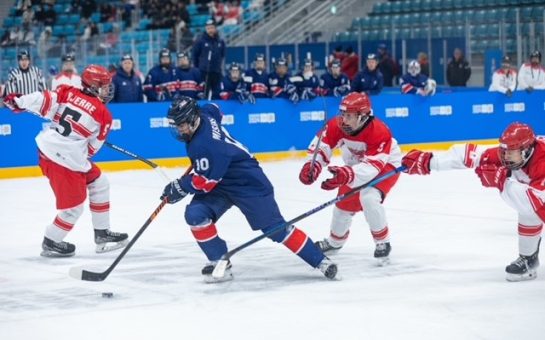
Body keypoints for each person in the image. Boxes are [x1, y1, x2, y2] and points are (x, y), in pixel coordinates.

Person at [159, 97, 338, 282]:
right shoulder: (205, 114)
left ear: (193, 119)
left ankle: (320, 261)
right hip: (221, 183)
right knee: (196, 215)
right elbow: (215, 109)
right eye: (176, 124)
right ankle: (219, 261)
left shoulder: (207, 146)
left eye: (181, 124)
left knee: (276, 229)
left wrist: (180, 186)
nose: (179, 129)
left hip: (248, 182)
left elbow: (204, 183)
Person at [2, 65, 128, 257]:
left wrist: (19, 101)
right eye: (103, 85)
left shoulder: (66, 92)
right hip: (63, 160)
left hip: (52, 150)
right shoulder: (104, 115)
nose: (107, 89)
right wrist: (82, 139)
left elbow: (42, 98)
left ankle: (102, 233)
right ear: (93, 86)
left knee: (99, 182)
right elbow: (91, 150)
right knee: (73, 208)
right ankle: (52, 240)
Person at [401, 122, 544, 282]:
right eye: (504, 151)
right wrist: (429, 161)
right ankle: (528, 259)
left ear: (527, 150)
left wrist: (501, 181)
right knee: (528, 214)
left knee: (530, 208)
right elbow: (473, 154)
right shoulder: (517, 152)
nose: (505, 156)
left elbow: (534, 202)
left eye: (511, 153)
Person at [298, 92, 402, 264]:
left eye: (349, 116)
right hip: (356, 167)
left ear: (363, 116)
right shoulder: (338, 125)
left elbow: (372, 168)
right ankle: (335, 242)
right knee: (342, 205)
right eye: (342, 114)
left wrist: (347, 175)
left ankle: (382, 241)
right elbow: (323, 145)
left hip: (386, 165)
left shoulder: (379, 131)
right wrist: (313, 165)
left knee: (369, 197)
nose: (343, 120)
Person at [192, 19, 226, 99]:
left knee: (218, 94)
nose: (210, 30)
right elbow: (195, 56)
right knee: (203, 94)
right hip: (204, 73)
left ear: (215, 28)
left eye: (212, 28)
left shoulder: (220, 41)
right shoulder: (200, 41)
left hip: (216, 72)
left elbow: (222, 55)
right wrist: (199, 68)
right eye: (208, 28)